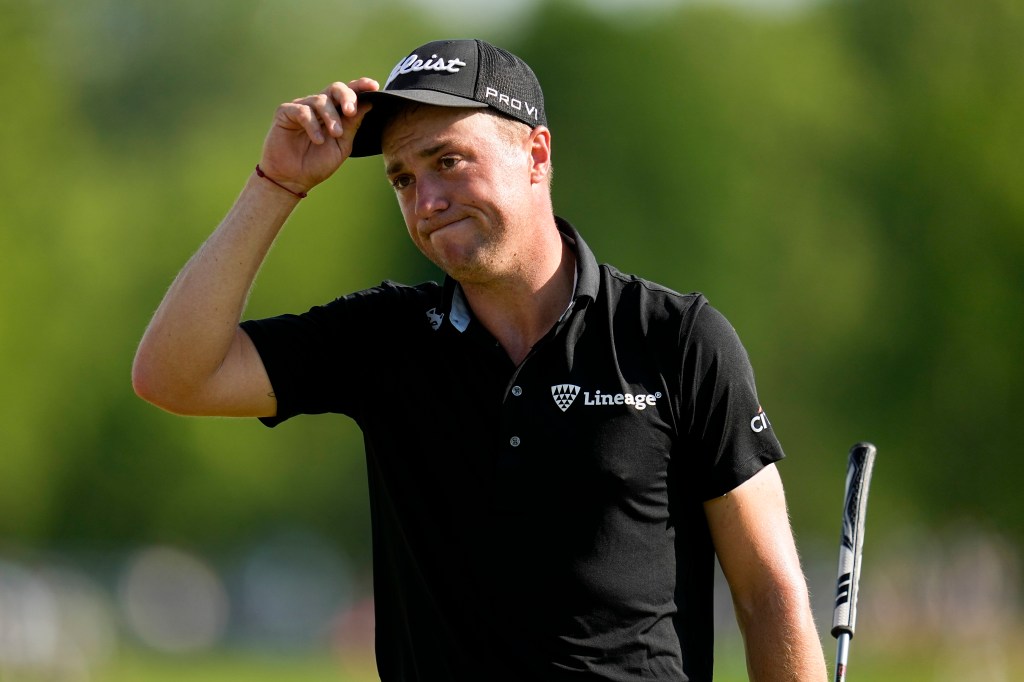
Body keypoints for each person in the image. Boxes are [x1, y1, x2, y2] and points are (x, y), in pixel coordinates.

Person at [132, 38, 828, 681]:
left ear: (535, 154)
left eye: (447, 161)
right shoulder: (384, 339)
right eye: (402, 180)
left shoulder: (676, 338)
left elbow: (767, 588)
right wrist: (276, 184)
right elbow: (173, 375)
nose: (426, 201)